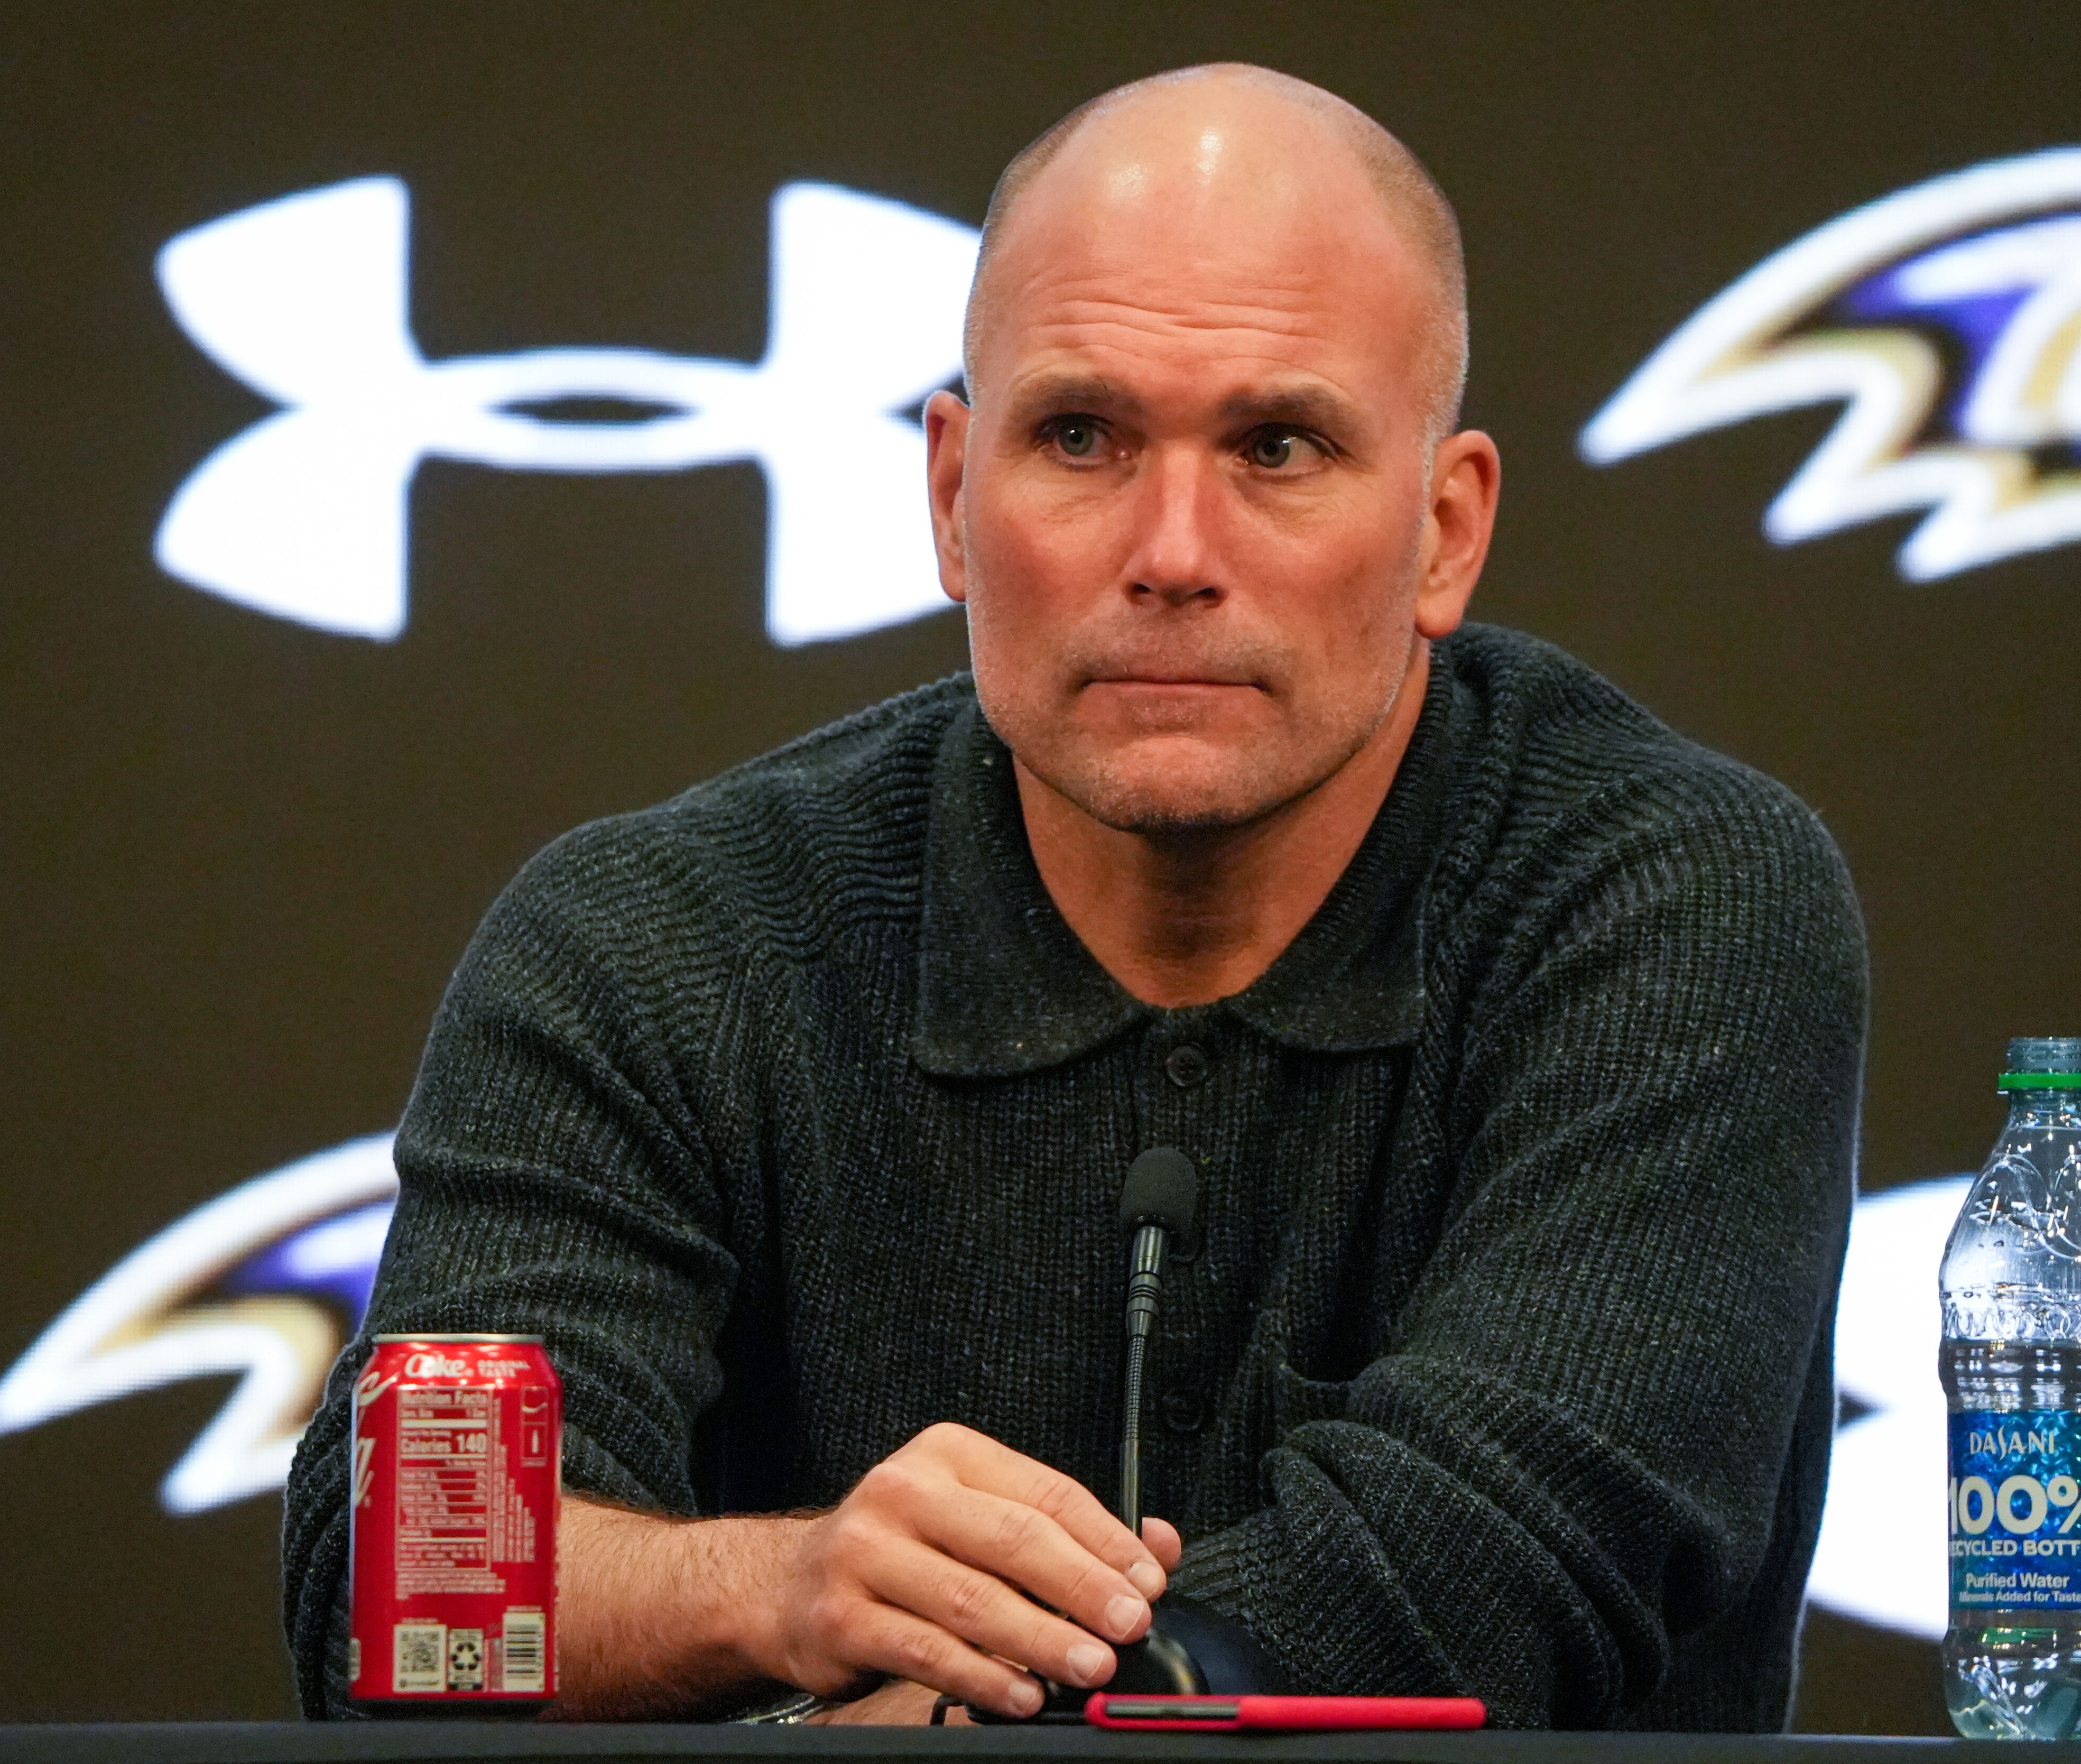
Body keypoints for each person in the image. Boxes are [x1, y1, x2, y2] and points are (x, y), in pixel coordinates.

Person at [284, 62, 1866, 1730]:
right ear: (954, 495)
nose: (1172, 546)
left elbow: (1475, 1582)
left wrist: (942, 1728)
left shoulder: (1673, 902)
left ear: (1445, 530)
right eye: (1083, 436)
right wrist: (787, 1585)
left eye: (1277, 444)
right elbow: (398, 1600)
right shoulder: (653, 940)